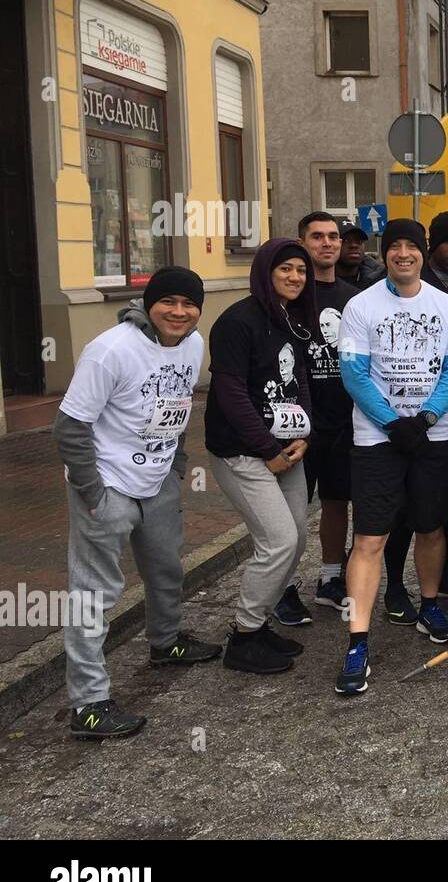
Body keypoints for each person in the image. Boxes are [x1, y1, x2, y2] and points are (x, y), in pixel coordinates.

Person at [56, 267, 220, 738]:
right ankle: (87, 704)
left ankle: (165, 644)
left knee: (167, 569)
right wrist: (93, 493)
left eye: (189, 304)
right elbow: (70, 427)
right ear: (148, 304)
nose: (179, 311)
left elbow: (179, 406)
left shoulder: (192, 344)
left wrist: (174, 467)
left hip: (158, 482)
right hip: (107, 486)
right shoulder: (110, 350)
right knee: (95, 593)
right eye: (168, 301)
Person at [334, 219, 448, 695]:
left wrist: (426, 418)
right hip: (377, 439)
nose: (404, 254)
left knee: (430, 526)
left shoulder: (446, 304)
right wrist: (392, 422)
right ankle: (357, 640)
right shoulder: (359, 306)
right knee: (370, 537)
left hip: (432, 435)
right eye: (395, 247)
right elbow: (354, 373)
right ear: (384, 253)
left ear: (423, 253)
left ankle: (429, 603)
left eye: (413, 246)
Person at [206, 239, 316, 674]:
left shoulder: (291, 319)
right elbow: (231, 394)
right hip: (243, 452)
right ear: (265, 272)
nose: (294, 277)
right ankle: (244, 636)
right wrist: (267, 450)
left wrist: (305, 434)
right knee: (278, 541)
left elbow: (300, 379)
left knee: (297, 540)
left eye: (300, 271)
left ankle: (260, 622)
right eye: (285, 269)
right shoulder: (237, 321)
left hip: (289, 448)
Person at [381, 211, 448, 622]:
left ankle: (441, 577)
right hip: (406, 418)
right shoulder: (406, 290)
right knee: (404, 507)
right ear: (430, 248)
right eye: (447, 241)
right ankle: (393, 586)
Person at [294, 212, 359, 619]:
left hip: (342, 420)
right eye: (317, 236)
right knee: (290, 511)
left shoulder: (354, 298)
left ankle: (331, 578)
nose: (327, 243)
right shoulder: (290, 294)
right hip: (294, 424)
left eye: (333, 236)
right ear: (302, 242)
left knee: (338, 502)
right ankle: (282, 587)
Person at [336, 220, 385, 289]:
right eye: (346, 241)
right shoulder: (319, 279)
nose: (354, 245)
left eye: (359, 241)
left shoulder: (380, 279)